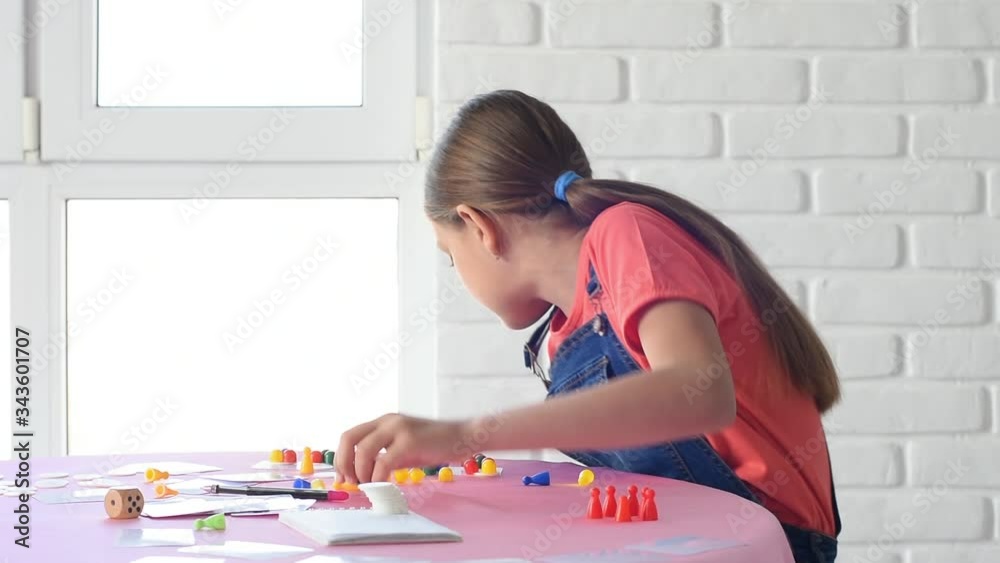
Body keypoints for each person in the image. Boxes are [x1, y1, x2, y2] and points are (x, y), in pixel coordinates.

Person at [335, 90, 841, 562]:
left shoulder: (626, 232)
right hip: (683, 535)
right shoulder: (563, 331)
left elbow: (698, 392)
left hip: (761, 540)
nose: (457, 272)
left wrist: (465, 434)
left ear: (480, 226)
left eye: (450, 256)